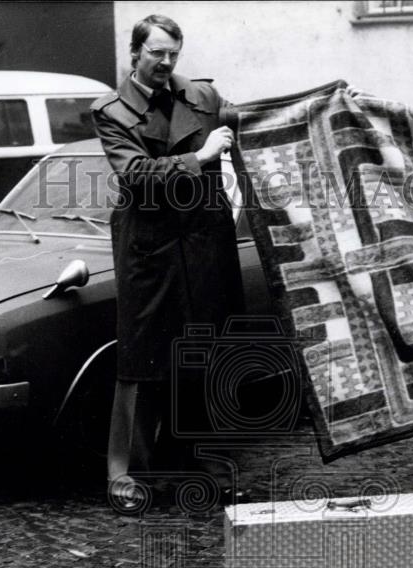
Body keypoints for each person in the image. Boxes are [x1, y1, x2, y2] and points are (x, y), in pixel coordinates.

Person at [91, 14, 244, 504]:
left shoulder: (203, 97)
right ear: (134, 53)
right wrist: (201, 157)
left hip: (202, 241)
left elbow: (255, 119)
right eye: (156, 53)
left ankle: (194, 459)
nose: (166, 62)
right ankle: (128, 474)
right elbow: (137, 173)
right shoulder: (111, 111)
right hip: (150, 249)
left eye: (174, 53)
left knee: (199, 349)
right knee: (142, 359)